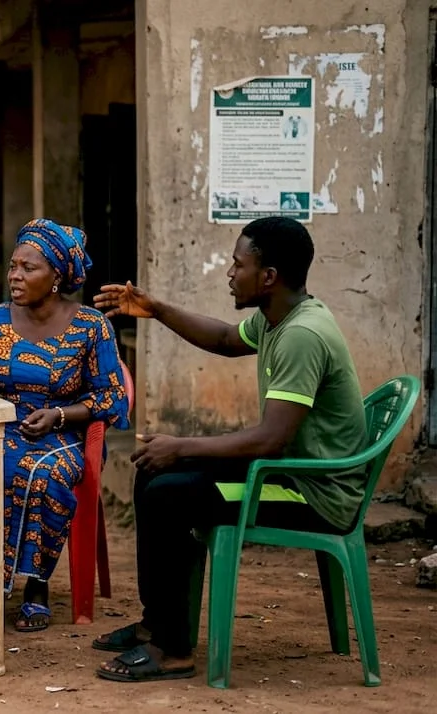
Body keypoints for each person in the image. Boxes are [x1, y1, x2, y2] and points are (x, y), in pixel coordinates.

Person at [89, 217, 366, 683]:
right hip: (287, 471)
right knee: (151, 470)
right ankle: (159, 623)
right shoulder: (279, 317)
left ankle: (174, 652)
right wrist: (155, 308)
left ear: (269, 277)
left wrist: (183, 447)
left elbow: (269, 439)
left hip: (312, 492)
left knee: (168, 492)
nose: (229, 273)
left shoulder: (302, 336)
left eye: (238, 264)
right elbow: (221, 339)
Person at [0, 219, 129, 632]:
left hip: (62, 434)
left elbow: (112, 397)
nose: (15, 275)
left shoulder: (91, 327)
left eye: (28, 268)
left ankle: (35, 586)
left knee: (38, 474)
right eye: (13, 266)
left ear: (55, 277)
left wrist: (60, 415)